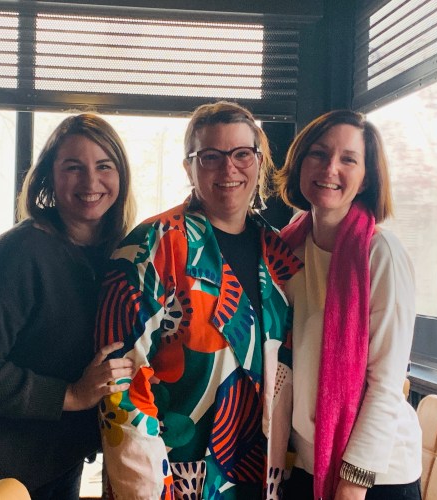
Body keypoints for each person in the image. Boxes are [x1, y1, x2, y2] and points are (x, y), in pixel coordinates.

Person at [95, 101, 302, 499]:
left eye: (242, 154)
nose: (229, 169)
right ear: (188, 168)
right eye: (210, 157)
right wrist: (148, 491)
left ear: (259, 162)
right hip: (170, 478)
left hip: (261, 473)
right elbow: (120, 382)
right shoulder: (154, 245)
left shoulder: (279, 255)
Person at [0, 114, 136, 500]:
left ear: (121, 177)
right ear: (48, 178)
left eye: (104, 166)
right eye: (73, 167)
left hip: (58, 465)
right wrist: (71, 395)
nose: (91, 182)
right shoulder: (17, 253)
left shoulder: (113, 256)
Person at [275, 110, 422, 500]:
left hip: (376, 474)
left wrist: (354, 482)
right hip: (305, 463)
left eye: (348, 159)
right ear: (300, 162)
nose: (330, 168)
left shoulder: (380, 252)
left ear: (367, 178)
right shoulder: (285, 249)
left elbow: (386, 382)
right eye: (319, 154)